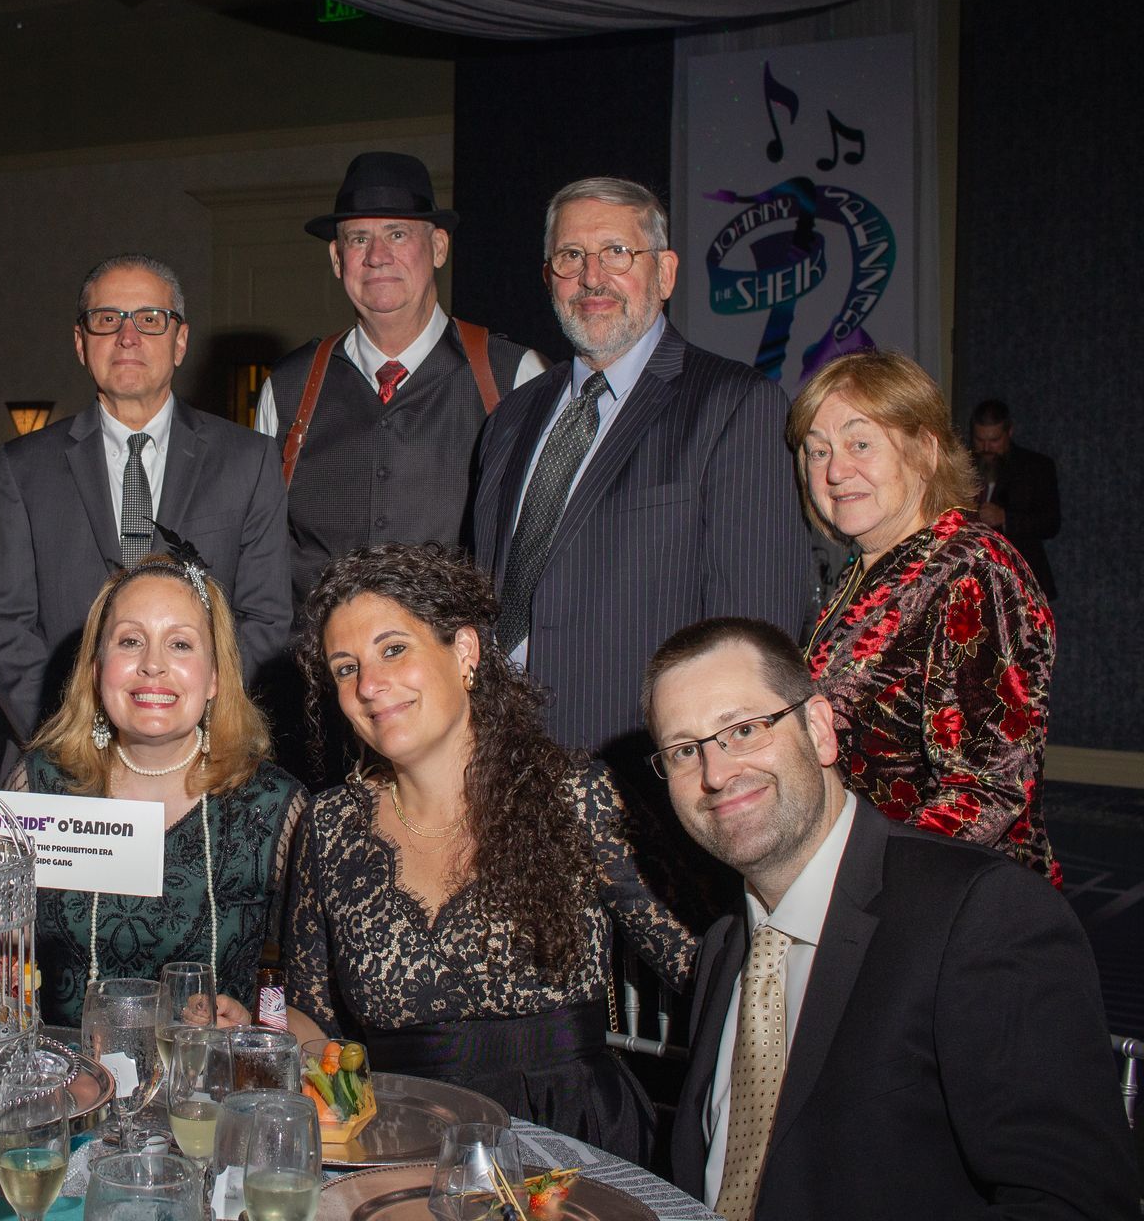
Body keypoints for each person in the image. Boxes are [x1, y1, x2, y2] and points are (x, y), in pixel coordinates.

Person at [643, 618, 1132, 1220]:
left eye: (743, 730)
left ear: (819, 730)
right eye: (685, 750)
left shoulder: (981, 914)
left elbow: (1075, 1205)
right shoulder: (726, 949)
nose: (716, 774)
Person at [286, 542, 696, 1162]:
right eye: (346, 668)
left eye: (394, 649)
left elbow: (699, 968)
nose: (370, 685)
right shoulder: (331, 824)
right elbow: (313, 1022)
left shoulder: (573, 796)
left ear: (466, 652)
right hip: (403, 1144)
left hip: (571, 1144)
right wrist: (250, 1037)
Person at [472, 176, 811, 790]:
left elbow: (757, 636)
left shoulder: (735, 406)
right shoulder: (509, 420)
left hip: (646, 780)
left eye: (617, 253)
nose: (592, 277)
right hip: (503, 769)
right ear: (549, 277)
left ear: (666, 272)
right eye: (571, 256)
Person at [0, 254, 293, 752]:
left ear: (180, 341)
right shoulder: (23, 468)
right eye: (108, 320)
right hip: (66, 758)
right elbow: (4, 628)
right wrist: (71, 739)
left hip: (206, 758)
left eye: (150, 319)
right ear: (81, 344)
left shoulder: (247, 460)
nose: (128, 336)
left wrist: (193, 728)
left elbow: (267, 619)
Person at [791, 352, 1056, 882]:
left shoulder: (970, 569)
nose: (836, 471)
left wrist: (851, 883)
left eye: (860, 443)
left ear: (926, 452)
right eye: (817, 451)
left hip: (945, 911)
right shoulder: (872, 571)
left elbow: (987, 790)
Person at [9, 553, 304, 1028]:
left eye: (180, 644)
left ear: (214, 677)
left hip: (208, 1090)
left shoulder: (272, 806)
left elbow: (312, 999)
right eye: (130, 641)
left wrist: (254, 1025)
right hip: (65, 1087)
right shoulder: (41, 785)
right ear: (95, 669)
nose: (152, 666)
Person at [256, 152, 545, 603]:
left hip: (457, 664)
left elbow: (539, 550)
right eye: (358, 239)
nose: (377, 256)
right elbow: (261, 554)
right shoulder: (288, 388)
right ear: (337, 258)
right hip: (316, 665)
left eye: (397, 234)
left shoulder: (513, 375)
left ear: (438, 248)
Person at [969, 397, 1059, 599]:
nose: (986, 448)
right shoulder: (962, 465)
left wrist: (1005, 517)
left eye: (994, 441)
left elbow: (1051, 523)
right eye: (979, 440)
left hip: (1020, 578)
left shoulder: (1035, 467)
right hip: (972, 578)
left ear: (1009, 433)